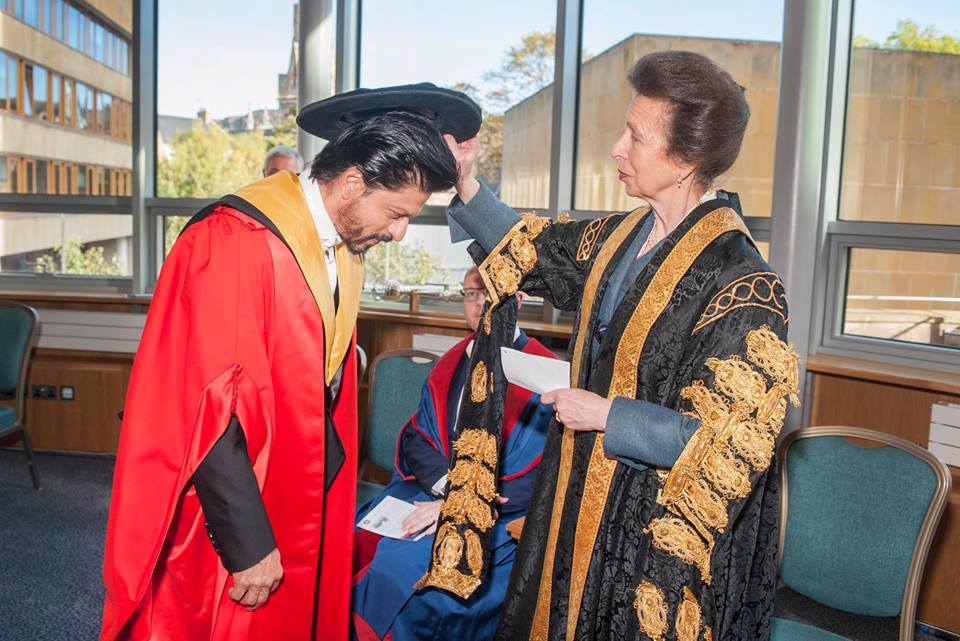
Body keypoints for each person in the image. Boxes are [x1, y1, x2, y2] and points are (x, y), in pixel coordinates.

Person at [442, 51, 799, 641]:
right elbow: (533, 250)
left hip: (649, 534)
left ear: (685, 161)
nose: (616, 147)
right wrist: (465, 180)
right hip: (574, 496)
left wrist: (606, 413)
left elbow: (725, 446)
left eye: (635, 136)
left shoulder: (743, 285)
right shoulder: (620, 236)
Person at [100, 84, 479, 641]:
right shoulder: (234, 240)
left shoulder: (343, 251)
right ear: (354, 182)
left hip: (295, 490)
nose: (398, 233)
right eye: (397, 214)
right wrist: (248, 543)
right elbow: (206, 408)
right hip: (230, 511)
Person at [351, 267, 555, 641]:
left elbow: (540, 472)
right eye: (469, 294)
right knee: (354, 536)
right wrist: (447, 487)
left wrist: (462, 504)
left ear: (518, 301)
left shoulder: (543, 375)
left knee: (402, 572)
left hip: (499, 515)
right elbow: (417, 438)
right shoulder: (450, 363)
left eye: (488, 294)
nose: (478, 304)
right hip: (436, 493)